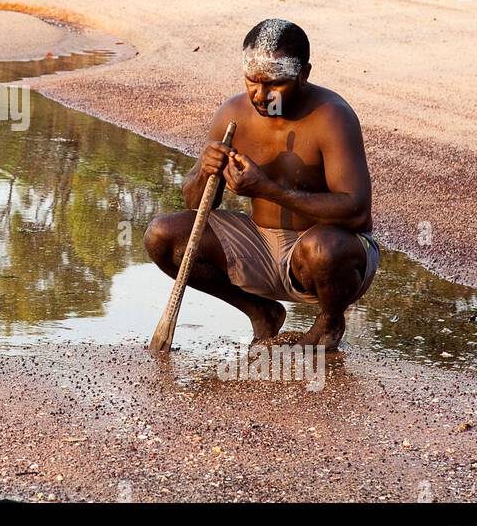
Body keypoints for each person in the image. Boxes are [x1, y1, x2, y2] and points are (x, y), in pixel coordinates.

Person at [144, 18, 378, 349]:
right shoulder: (232, 113)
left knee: (325, 250)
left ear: (303, 75)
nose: (260, 94)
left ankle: (329, 322)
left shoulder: (332, 116)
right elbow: (196, 205)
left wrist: (268, 190)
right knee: (161, 235)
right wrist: (203, 172)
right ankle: (260, 311)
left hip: (324, 251)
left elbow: (356, 213)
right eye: (251, 81)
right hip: (259, 244)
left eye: (274, 84)